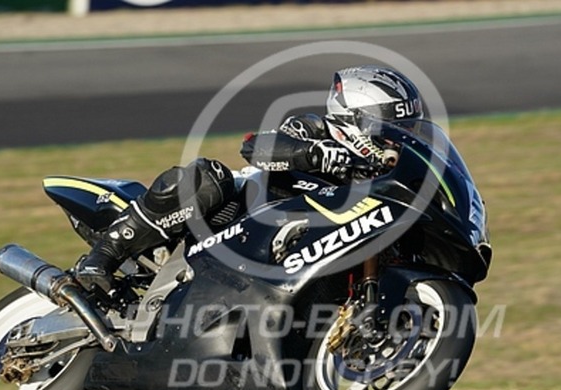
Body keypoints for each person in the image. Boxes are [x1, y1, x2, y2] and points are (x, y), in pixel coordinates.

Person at [75, 65, 424, 296]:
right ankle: (105, 254)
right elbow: (255, 147)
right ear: (356, 118)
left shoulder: (382, 177)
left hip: (280, 268)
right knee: (207, 177)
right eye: (393, 128)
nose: (399, 139)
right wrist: (315, 154)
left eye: (408, 129)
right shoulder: (314, 128)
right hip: (232, 219)